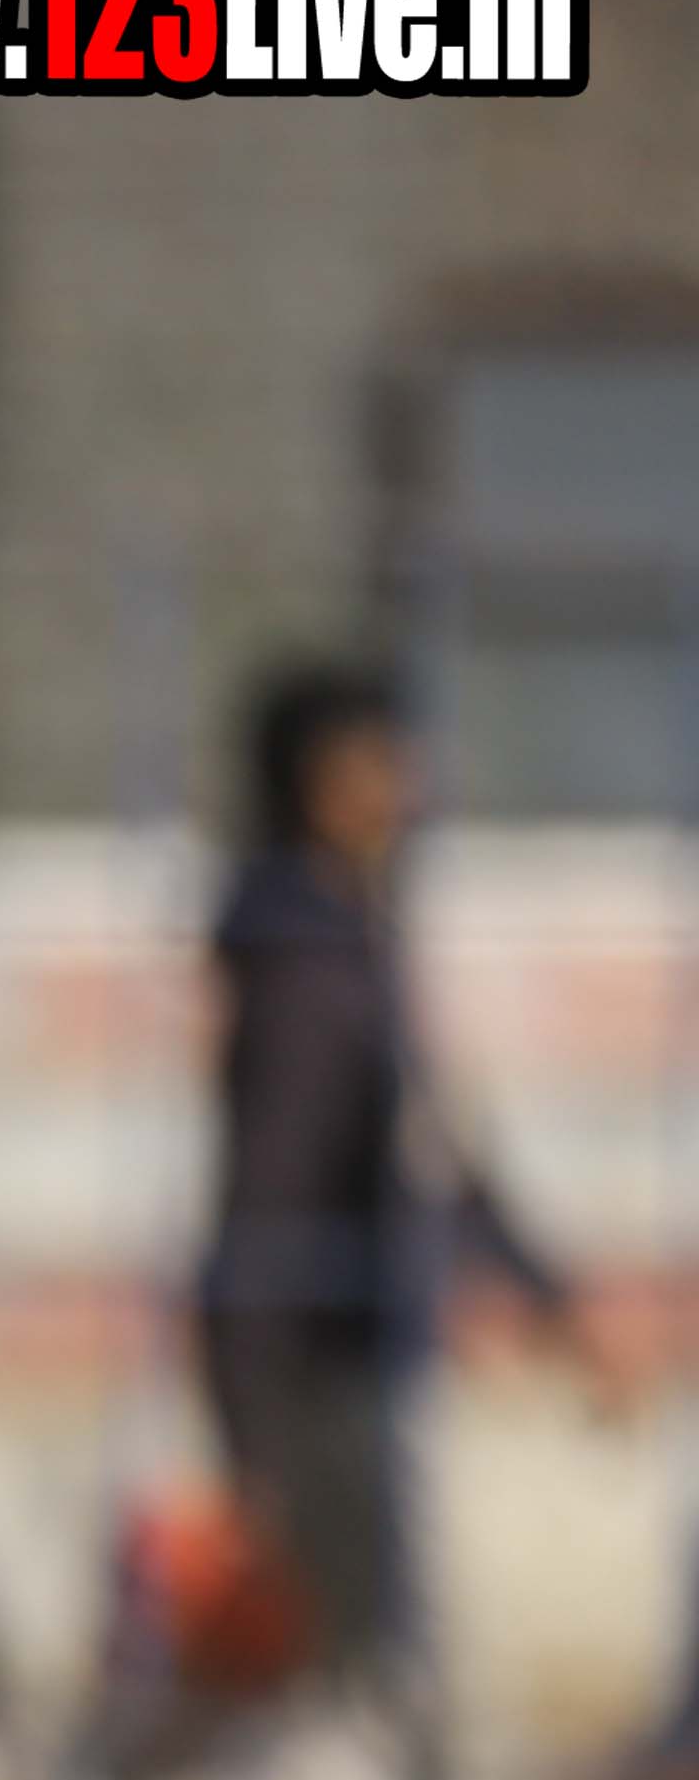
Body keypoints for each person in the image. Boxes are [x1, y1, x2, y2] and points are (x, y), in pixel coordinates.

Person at [203, 659, 617, 1700]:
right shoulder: (305, 970)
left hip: (348, 1352)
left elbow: (424, 1146)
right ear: (321, 780)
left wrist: (549, 1297)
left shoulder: (346, 937)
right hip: (315, 1366)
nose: (409, 786)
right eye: (382, 761)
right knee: (354, 1674)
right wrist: (250, 1429)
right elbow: (272, 1199)